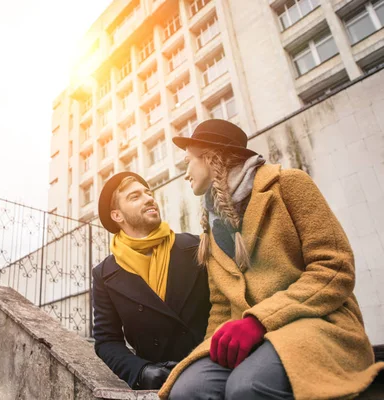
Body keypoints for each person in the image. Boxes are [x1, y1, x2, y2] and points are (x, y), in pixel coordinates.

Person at [159, 119, 384, 400]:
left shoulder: (289, 184)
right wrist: (212, 349)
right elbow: (221, 305)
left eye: (187, 162)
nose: (185, 174)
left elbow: (334, 268)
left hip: (319, 324)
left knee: (248, 387)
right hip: (251, 339)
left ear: (209, 156)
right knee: (188, 391)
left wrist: (259, 321)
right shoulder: (211, 225)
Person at [91, 172, 211, 390]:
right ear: (117, 216)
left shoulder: (196, 246)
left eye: (148, 193)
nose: (149, 198)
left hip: (211, 368)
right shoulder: (104, 274)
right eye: (135, 196)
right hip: (161, 382)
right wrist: (141, 371)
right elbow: (107, 340)